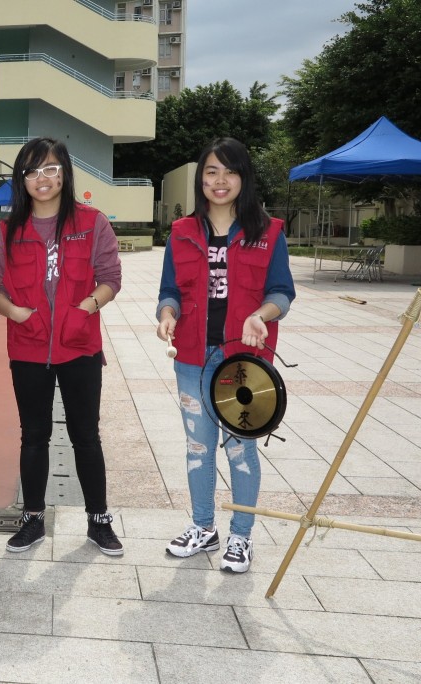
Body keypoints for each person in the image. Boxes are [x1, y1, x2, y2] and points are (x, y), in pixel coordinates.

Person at [156, 137, 295, 573]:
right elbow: (170, 291)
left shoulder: (269, 232)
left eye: (230, 172)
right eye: (212, 171)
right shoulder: (181, 233)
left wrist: (262, 314)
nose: (220, 180)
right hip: (193, 359)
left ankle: (241, 536)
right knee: (198, 447)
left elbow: (282, 292)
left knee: (239, 448)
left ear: (243, 178)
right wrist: (166, 314)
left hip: (244, 363)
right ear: (201, 178)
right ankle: (203, 527)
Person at [0, 138, 124, 555]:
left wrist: (86, 306)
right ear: (21, 180)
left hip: (80, 346)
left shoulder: (92, 221)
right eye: (31, 171)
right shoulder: (6, 231)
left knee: (86, 435)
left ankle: (99, 521)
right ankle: (32, 519)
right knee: (34, 436)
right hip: (28, 348)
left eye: (50, 169)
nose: (41, 179)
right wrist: (14, 313)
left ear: (64, 173)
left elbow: (110, 277)